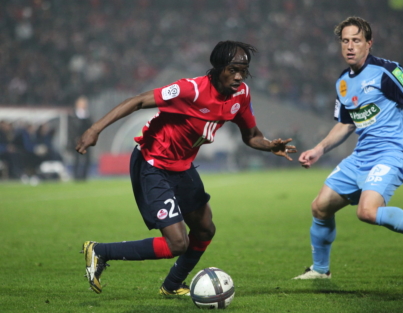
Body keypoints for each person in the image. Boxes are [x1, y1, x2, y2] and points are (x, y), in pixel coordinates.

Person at [76, 41, 297, 295]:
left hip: (182, 167)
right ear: (218, 68)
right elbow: (138, 101)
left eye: (243, 71)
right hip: (153, 163)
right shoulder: (189, 89)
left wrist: (269, 145)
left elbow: (251, 135)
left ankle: (171, 285)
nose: (238, 77)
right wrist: (94, 129)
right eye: (233, 70)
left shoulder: (241, 95)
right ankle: (101, 251)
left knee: (205, 228)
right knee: (177, 243)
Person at [293, 17, 403, 280]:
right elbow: (345, 124)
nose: (350, 46)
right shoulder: (342, 82)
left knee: (367, 211)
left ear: (369, 44)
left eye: (356, 40)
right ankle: (320, 270)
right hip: (362, 155)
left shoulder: (388, 71)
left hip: (393, 151)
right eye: (345, 41)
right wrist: (319, 149)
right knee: (320, 207)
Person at [70, 96, 93, 181]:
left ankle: (84, 176)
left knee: (87, 159)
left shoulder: (87, 115)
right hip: (77, 140)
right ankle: (76, 176)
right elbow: (72, 129)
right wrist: (75, 138)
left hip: (86, 140)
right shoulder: (74, 115)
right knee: (77, 159)